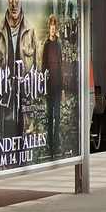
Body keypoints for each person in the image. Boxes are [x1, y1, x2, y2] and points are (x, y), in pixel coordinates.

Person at [0, 0, 38, 139]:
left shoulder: (31, 31)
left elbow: (37, 71)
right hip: (3, 107)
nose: (13, 1)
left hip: (24, 108)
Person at [41, 14, 64, 158]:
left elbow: (61, 67)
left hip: (57, 87)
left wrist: (62, 89)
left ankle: (56, 146)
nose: (53, 30)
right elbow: (43, 68)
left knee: (57, 117)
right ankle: (50, 146)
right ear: (48, 28)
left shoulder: (58, 46)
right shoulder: (46, 45)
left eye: (55, 27)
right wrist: (43, 88)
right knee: (49, 118)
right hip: (49, 87)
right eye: (51, 27)